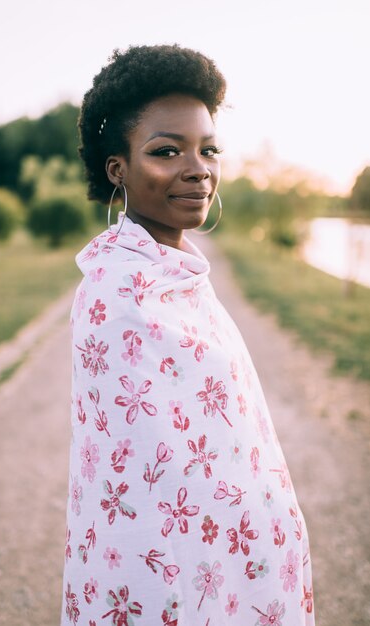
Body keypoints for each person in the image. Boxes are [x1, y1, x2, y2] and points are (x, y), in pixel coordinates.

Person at [61, 44, 314, 626]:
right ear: (117, 169)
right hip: (168, 585)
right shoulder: (117, 296)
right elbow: (148, 490)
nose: (198, 168)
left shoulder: (182, 277)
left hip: (233, 562)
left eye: (208, 149)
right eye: (166, 151)